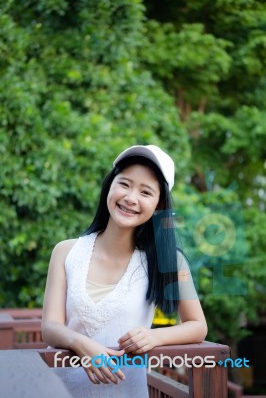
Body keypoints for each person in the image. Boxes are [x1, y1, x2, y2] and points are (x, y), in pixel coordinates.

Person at [41, 144, 207, 398]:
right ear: (110, 186)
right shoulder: (65, 252)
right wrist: (81, 344)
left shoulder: (170, 260)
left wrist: (154, 337)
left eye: (146, 192)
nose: (131, 198)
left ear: (158, 205)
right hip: (63, 390)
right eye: (125, 184)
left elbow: (198, 326)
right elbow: (50, 327)